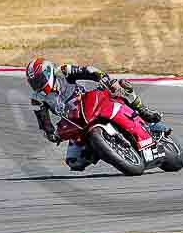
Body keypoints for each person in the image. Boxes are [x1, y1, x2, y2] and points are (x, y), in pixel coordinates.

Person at [25, 58, 162, 170]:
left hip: (92, 103)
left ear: (48, 73)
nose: (37, 84)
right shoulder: (37, 99)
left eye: (38, 80)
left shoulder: (63, 71)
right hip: (76, 121)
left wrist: (101, 78)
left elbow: (89, 71)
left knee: (119, 86)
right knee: (74, 162)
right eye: (33, 82)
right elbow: (43, 122)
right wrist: (51, 134)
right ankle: (105, 149)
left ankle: (144, 112)